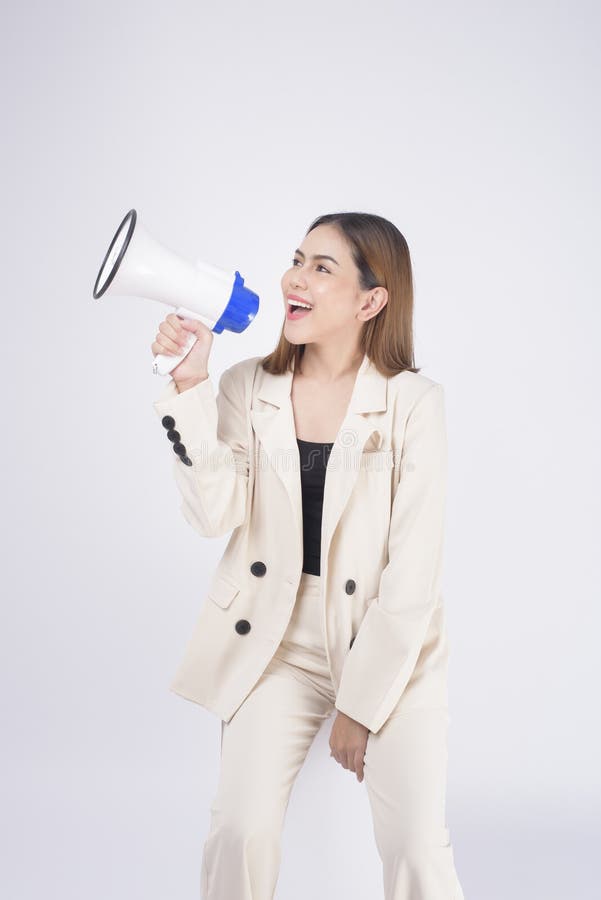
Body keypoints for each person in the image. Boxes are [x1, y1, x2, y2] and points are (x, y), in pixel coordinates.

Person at [151, 212, 466, 899]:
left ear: (370, 300)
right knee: (239, 830)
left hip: (391, 648)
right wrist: (187, 386)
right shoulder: (244, 387)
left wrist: (358, 706)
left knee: (415, 844)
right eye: (296, 258)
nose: (294, 277)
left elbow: (412, 578)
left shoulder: (414, 404)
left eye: (321, 267)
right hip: (276, 642)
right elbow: (212, 516)